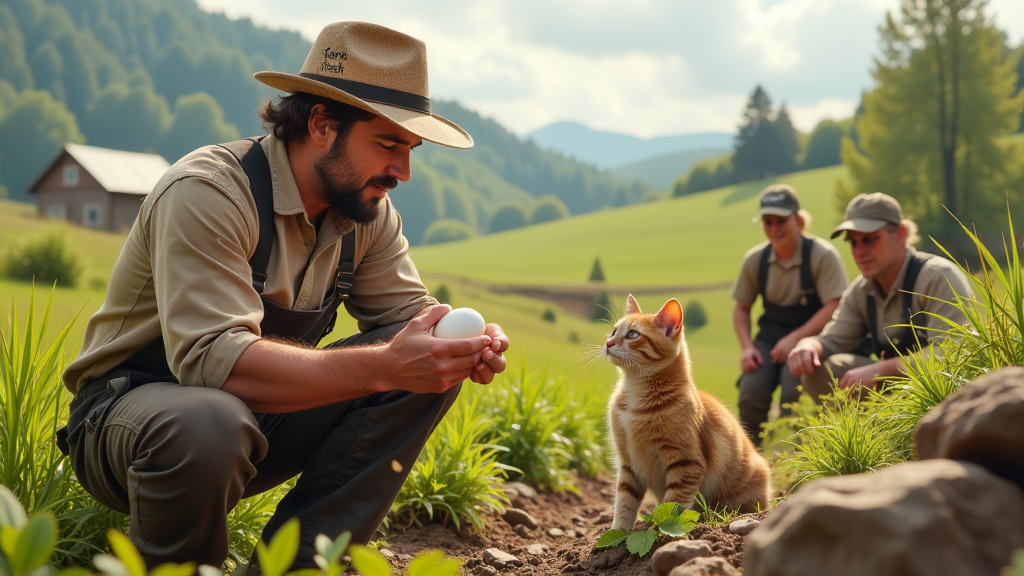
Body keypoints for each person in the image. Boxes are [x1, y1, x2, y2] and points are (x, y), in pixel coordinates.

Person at [56, 22, 510, 571]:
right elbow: (214, 365)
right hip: (129, 422)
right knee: (210, 421)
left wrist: (465, 346)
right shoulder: (210, 190)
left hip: (250, 420)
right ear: (321, 124)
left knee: (430, 358)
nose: (403, 172)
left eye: (410, 149)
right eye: (389, 145)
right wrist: (385, 366)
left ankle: (299, 566)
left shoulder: (365, 212)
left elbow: (415, 324)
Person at [787, 192, 971, 395]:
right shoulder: (860, 291)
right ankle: (875, 426)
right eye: (853, 243)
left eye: (869, 240)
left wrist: (880, 370)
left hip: (950, 392)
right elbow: (831, 340)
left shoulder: (938, 276)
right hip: (895, 394)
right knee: (824, 371)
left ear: (900, 234)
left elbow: (951, 354)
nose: (859, 251)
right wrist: (809, 346)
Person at [731, 185, 847, 442]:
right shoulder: (755, 260)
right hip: (770, 337)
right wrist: (747, 347)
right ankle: (749, 459)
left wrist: (796, 338)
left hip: (815, 338)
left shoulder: (822, 255)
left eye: (781, 221)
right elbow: (741, 308)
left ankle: (802, 456)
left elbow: (835, 305)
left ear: (798, 220)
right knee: (751, 389)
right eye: (767, 221)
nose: (774, 228)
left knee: (793, 388)